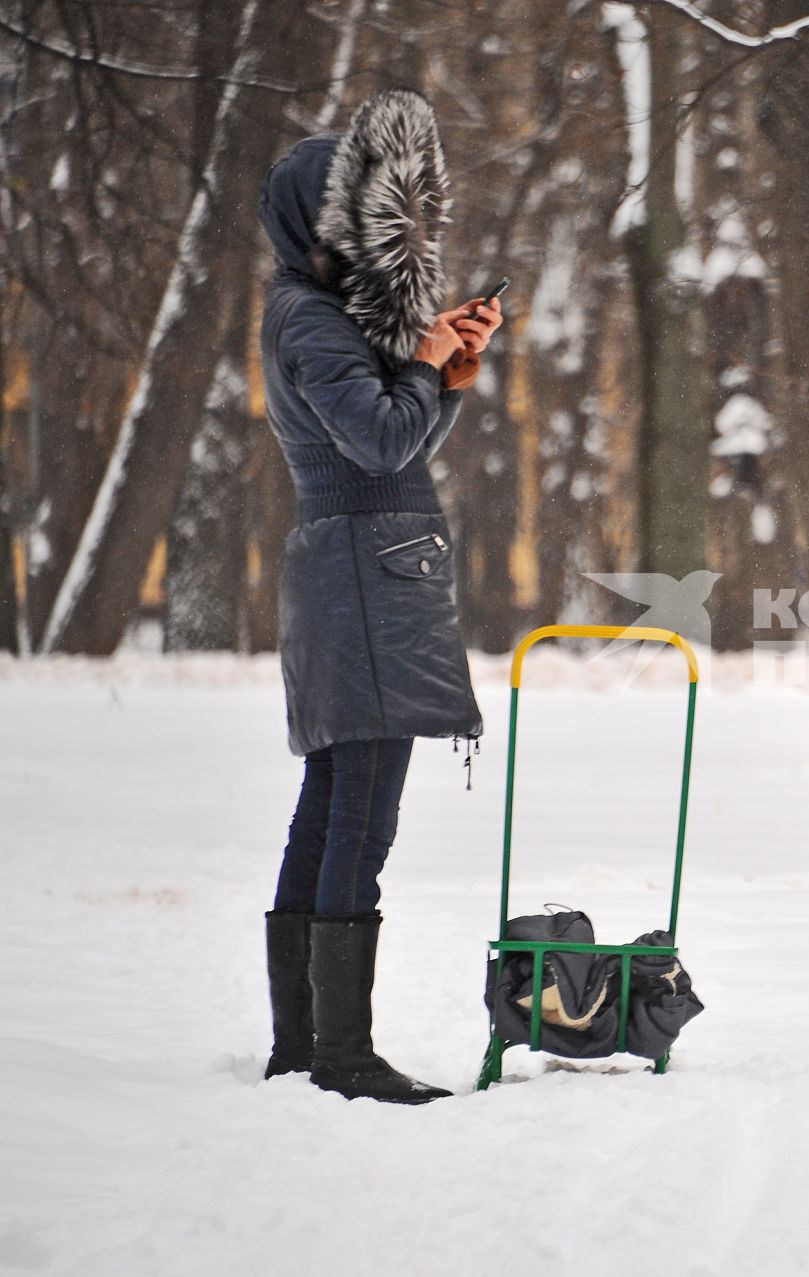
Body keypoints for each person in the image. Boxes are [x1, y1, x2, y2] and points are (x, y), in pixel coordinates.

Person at [256, 90, 503, 1104]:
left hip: (370, 559)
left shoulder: (326, 315)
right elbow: (380, 442)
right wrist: (425, 367)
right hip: (362, 573)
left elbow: (395, 446)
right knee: (360, 812)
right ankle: (341, 1053)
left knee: (333, 804)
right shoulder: (310, 319)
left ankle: (303, 1043)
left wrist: (442, 369)